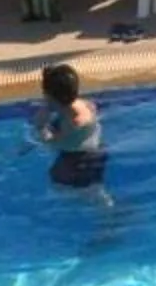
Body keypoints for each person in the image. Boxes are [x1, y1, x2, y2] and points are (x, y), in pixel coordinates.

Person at [27, 63, 109, 195]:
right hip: (96, 148)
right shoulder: (84, 104)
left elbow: (51, 143)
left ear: (50, 96)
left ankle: (111, 211)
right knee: (94, 189)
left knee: (59, 182)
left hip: (81, 160)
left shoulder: (73, 123)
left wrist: (40, 127)